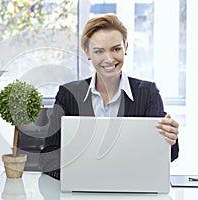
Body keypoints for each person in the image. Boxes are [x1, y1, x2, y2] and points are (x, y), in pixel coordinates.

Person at [40, 13, 179, 180]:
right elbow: (48, 158)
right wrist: (83, 176)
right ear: (87, 51)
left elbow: (163, 157)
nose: (109, 59)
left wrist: (169, 140)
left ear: (126, 47)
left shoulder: (148, 93)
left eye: (116, 49)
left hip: (131, 189)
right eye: (99, 51)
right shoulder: (68, 94)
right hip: (81, 190)